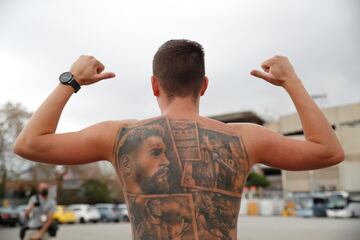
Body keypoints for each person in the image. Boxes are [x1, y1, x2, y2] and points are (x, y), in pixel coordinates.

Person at [14, 39, 344, 240]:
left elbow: (28, 144)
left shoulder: (118, 136)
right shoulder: (245, 137)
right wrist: (292, 81)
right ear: (204, 85)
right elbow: (328, 151)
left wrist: (71, 80)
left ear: (155, 85)